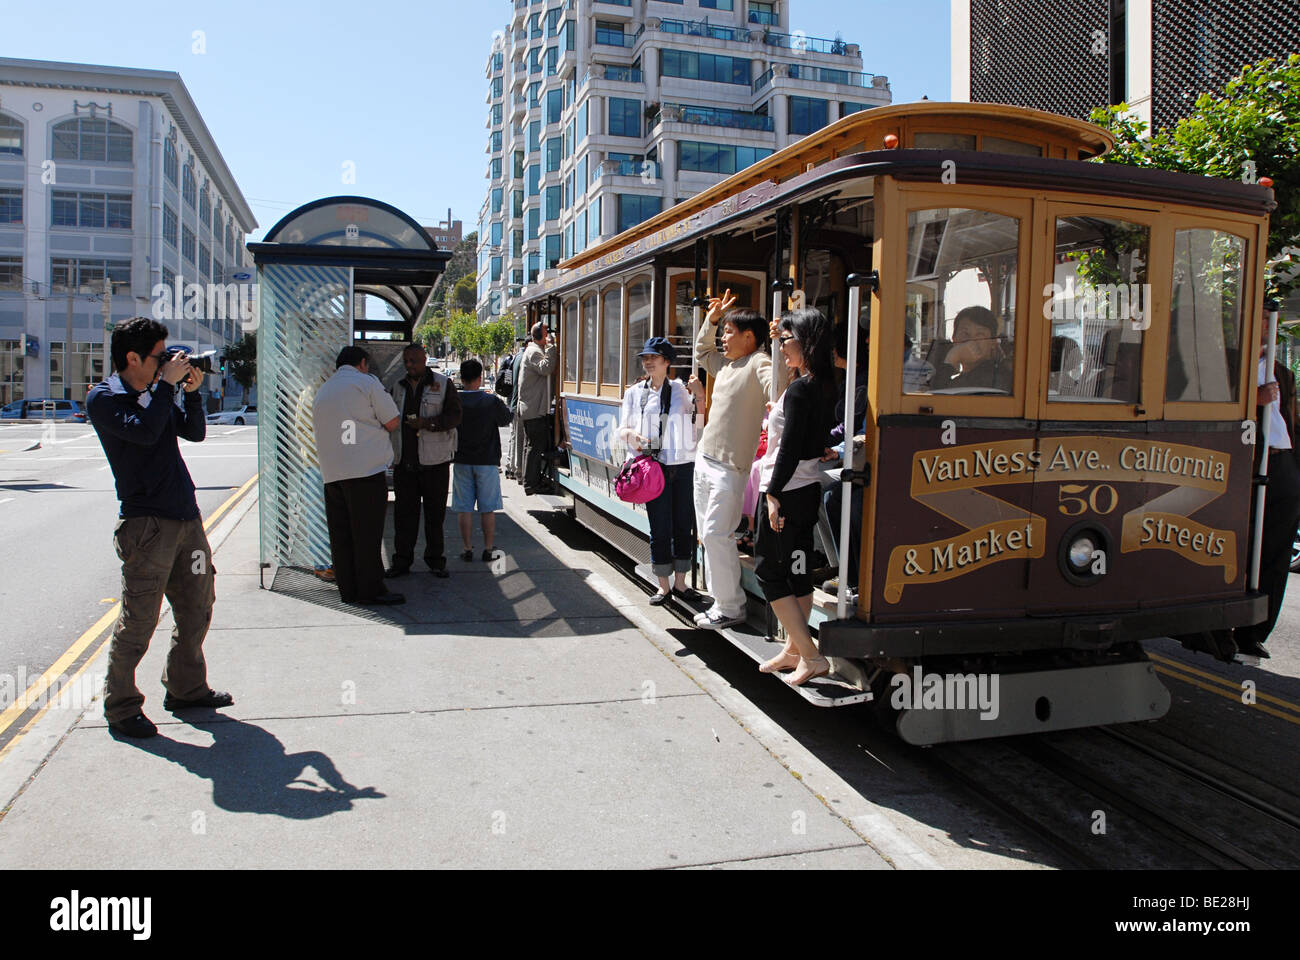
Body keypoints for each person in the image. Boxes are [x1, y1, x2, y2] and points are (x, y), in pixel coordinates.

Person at [86, 316, 233, 739]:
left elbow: (195, 433)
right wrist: (166, 388)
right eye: (158, 357)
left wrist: (191, 394)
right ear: (132, 358)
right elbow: (147, 435)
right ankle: (121, 706)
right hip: (146, 526)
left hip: (186, 520)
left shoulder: (158, 393)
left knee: (198, 606)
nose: (165, 362)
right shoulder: (105, 399)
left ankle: (186, 687)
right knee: (139, 619)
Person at [753, 309, 839, 686]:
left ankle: (810, 654)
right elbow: (810, 438)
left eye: (786, 341)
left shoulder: (803, 388)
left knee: (769, 572)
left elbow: (787, 449)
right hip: (807, 491)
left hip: (785, 490)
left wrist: (772, 494)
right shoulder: (825, 382)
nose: (782, 347)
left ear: (806, 342)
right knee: (798, 573)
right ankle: (793, 649)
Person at [686, 292, 773, 629]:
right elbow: (701, 351)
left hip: (729, 468)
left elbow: (776, 388)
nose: (722, 338)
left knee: (716, 534)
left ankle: (731, 608)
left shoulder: (759, 362)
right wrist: (710, 320)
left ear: (748, 337)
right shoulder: (726, 364)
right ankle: (721, 601)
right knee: (708, 536)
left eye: (728, 331)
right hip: (706, 460)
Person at [312, 346, 404, 607]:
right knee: (367, 534)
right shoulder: (367, 383)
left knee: (341, 535)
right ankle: (371, 589)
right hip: (365, 470)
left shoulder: (324, 390)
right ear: (362, 363)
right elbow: (392, 421)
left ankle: (348, 589)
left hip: (332, 473)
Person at [1235, 318, 1300, 659]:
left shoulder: (1282, 372)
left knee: (1276, 553)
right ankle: (1222, 622)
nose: (1265, 324)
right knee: (1239, 545)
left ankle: (1255, 632)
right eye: (1259, 317)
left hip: (1282, 465)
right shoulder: (1234, 365)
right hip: (1247, 466)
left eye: (1268, 319)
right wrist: (1252, 399)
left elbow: (1291, 419)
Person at [619, 337, 700, 604]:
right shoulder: (634, 393)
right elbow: (622, 430)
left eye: (654, 357)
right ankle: (662, 586)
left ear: (667, 362)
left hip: (683, 465)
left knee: (682, 525)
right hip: (655, 468)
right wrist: (634, 436)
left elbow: (698, 425)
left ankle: (681, 584)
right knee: (660, 527)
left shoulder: (680, 391)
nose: (648, 362)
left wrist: (699, 395)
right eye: (645, 358)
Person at [387, 343, 461, 579]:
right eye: (406, 361)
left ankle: (436, 561)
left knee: (434, 516)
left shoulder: (443, 383)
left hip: (434, 462)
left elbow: (454, 417)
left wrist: (427, 423)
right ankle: (401, 561)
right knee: (404, 516)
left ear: (424, 359)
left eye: (414, 361)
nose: (409, 365)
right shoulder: (398, 387)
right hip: (405, 463)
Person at [453, 358, 514, 561]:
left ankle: (467, 548)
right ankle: (488, 549)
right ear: (480, 379)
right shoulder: (490, 401)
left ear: (462, 379)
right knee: (487, 508)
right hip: (487, 461)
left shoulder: (455, 401)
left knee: (464, 508)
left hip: (461, 459)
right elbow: (506, 419)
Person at [517, 321, 558, 495]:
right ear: (540, 336)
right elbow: (546, 368)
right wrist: (552, 347)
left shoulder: (533, 350)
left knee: (532, 446)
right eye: (546, 332)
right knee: (535, 446)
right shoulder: (534, 351)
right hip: (533, 409)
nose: (548, 334)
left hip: (532, 408)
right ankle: (531, 483)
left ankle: (530, 481)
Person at [934, 305, 1011, 393]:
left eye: (980, 334)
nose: (971, 340)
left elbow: (936, 397)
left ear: (993, 342)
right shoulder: (963, 378)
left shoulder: (994, 377)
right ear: (954, 339)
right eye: (965, 333)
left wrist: (953, 357)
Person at [505, 337, 528, 481]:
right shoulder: (524, 358)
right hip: (518, 403)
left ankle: (511, 467)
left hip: (512, 402)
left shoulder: (516, 357)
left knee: (514, 436)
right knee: (519, 437)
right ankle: (518, 469)